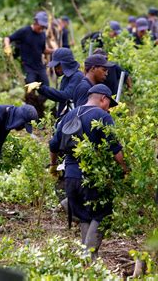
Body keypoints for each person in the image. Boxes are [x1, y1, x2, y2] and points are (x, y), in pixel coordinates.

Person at [49, 84, 129, 260]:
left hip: (70, 175)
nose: (109, 108)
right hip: (93, 176)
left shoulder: (69, 115)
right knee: (101, 213)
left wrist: (53, 166)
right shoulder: (102, 117)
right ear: (103, 99)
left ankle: (88, 262)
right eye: (109, 103)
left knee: (84, 215)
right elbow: (115, 148)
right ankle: (89, 254)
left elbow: (53, 145)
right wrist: (124, 168)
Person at [25, 48, 84, 117]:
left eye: (58, 66)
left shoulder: (77, 77)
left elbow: (65, 96)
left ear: (65, 64)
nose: (55, 69)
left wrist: (41, 87)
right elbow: (60, 100)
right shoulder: (66, 78)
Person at [4, 11, 53, 86]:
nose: (42, 29)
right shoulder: (25, 31)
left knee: (46, 88)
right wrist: (7, 47)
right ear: (36, 22)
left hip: (39, 67)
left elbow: (43, 50)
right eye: (41, 26)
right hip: (28, 67)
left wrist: (55, 51)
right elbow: (7, 38)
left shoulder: (42, 35)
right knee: (30, 86)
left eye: (44, 27)